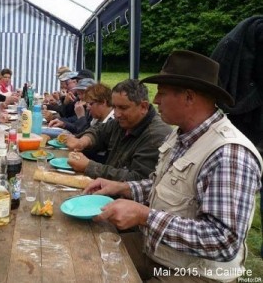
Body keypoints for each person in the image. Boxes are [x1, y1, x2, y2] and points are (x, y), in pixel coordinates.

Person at [83, 51, 262, 282]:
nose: (156, 101)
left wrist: (145, 216)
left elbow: (223, 240)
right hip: (157, 252)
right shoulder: (183, 135)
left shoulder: (229, 153)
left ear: (189, 97)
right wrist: (121, 187)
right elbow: (169, 188)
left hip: (195, 274)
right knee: (90, 253)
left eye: (163, 93)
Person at [67, 79, 171, 181]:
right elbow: (99, 131)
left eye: (123, 108)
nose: (116, 114)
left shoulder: (155, 136)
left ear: (143, 107)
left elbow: (137, 180)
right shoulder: (124, 122)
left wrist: (89, 166)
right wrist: (82, 141)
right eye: (115, 107)